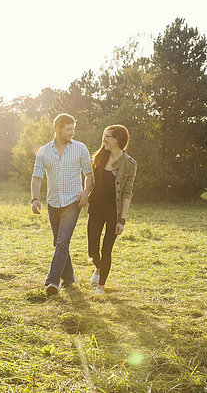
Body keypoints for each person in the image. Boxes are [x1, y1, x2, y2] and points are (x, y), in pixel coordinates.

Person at [31, 113, 93, 295]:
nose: (72, 132)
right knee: (58, 243)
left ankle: (52, 282)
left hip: (73, 201)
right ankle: (69, 278)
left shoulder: (80, 148)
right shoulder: (43, 151)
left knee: (63, 241)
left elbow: (89, 173)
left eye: (73, 129)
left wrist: (86, 192)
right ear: (58, 129)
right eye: (68, 129)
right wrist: (34, 198)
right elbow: (36, 177)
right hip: (53, 202)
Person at [87, 125, 137, 294]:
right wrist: (84, 193)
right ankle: (99, 268)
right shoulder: (99, 157)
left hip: (113, 213)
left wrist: (122, 220)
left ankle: (101, 286)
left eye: (107, 136)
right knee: (92, 248)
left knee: (106, 249)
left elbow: (127, 192)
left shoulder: (129, 164)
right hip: (95, 208)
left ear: (117, 139)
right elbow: (90, 181)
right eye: (104, 136)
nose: (104, 139)